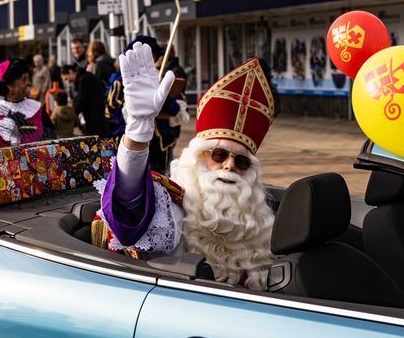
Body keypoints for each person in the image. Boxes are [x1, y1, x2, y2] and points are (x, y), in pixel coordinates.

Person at [96, 42, 276, 291]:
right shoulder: (171, 210)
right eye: (219, 154)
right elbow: (127, 208)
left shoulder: (258, 228)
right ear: (198, 158)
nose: (229, 166)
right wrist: (137, 132)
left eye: (241, 161)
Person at [104, 35, 186, 174]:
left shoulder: (160, 79)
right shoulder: (121, 81)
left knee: (160, 180)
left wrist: (163, 101)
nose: (151, 60)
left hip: (159, 144)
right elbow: (109, 112)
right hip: (131, 141)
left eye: (153, 56)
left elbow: (174, 109)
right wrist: (134, 116)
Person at [0, 58, 55, 147]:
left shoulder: (37, 109)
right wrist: (1, 137)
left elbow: (52, 141)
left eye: (29, 78)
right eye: (24, 79)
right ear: (9, 85)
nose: (29, 83)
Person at [61, 64, 109, 138]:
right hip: (97, 114)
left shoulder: (83, 80)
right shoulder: (85, 77)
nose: (68, 82)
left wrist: (72, 113)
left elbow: (81, 101)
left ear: (70, 72)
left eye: (66, 78)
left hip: (95, 117)